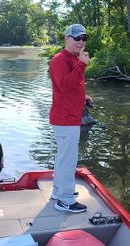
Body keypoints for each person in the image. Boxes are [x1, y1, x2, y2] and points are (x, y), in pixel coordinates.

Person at [49, 23, 93, 213]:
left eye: (84, 38)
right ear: (67, 39)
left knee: (63, 158)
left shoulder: (73, 59)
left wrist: (83, 98)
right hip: (65, 119)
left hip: (69, 117)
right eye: (77, 38)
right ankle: (65, 199)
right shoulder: (60, 60)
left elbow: (71, 88)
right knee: (68, 160)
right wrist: (82, 65)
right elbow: (64, 85)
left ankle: (58, 192)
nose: (81, 42)